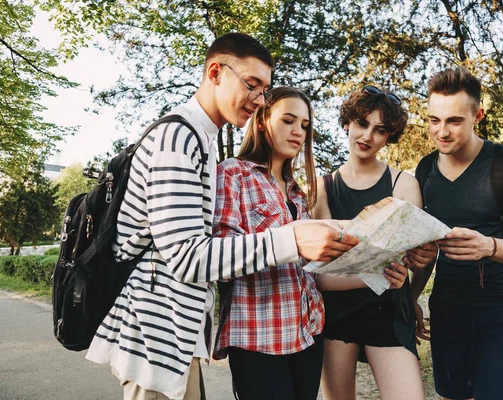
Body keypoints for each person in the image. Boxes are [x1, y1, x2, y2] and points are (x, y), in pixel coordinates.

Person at [85, 33, 358, 400]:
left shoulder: (201, 141)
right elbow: (186, 257)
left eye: (265, 90)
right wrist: (292, 239)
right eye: (252, 85)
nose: (259, 99)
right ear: (215, 72)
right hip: (157, 334)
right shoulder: (177, 137)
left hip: (178, 336)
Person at [212, 86, 383, 400]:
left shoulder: (297, 193)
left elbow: (313, 274)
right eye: (288, 120)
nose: (298, 132)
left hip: (307, 334)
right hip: (258, 338)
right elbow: (221, 259)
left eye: (304, 125)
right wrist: (288, 242)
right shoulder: (232, 175)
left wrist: (378, 275)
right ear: (262, 121)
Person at [411, 67, 503, 400]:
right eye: (433, 120)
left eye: (454, 121)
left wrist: (489, 246)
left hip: (500, 310)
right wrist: (410, 300)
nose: (441, 132)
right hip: (448, 310)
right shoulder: (425, 170)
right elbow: (427, 247)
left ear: (477, 116)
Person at [312, 86, 437, 400]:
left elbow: (422, 257)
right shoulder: (322, 188)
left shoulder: (404, 184)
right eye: (362, 123)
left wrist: (410, 293)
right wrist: (378, 272)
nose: (367, 136)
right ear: (347, 123)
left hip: (389, 312)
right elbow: (321, 273)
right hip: (337, 315)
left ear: (389, 136)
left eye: (379, 130)